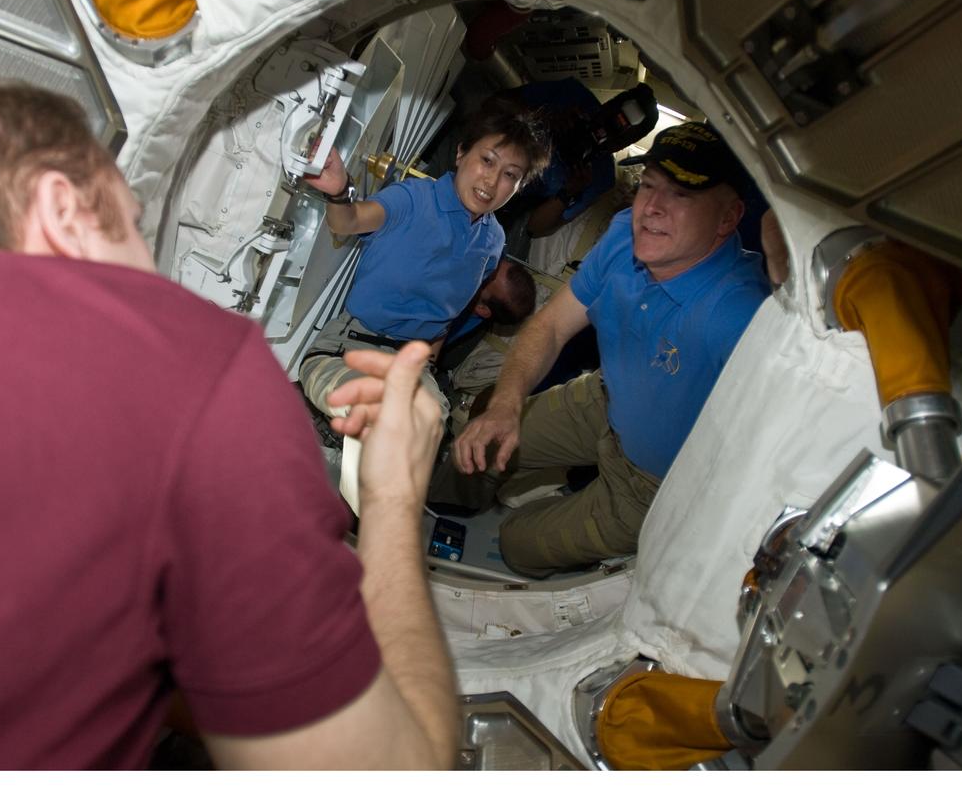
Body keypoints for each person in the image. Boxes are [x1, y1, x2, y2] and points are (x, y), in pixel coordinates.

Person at [0, 82, 457, 770]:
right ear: (62, 208)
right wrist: (393, 499)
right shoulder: (188, 367)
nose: (148, 265)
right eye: (129, 222)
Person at [446, 122, 771, 577]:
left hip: (653, 479)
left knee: (517, 544)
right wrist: (504, 405)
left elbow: (762, 455)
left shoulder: (739, 317)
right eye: (650, 186)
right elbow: (553, 326)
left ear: (727, 218)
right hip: (604, 399)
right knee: (478, 442)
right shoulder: (624, 236)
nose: (652, 208)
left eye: (681, 196)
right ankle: (440, 500)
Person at [298, 102, 549, 420]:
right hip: (347, 350)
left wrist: (429, 362)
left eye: (509, 175)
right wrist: (338, 193)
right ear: (461, 154)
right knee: (386, 419)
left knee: (431, 425)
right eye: (487, 161)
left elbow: (445, 312)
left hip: (409, 366)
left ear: (518, 187)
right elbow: (348, 222)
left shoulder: (493, 241)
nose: (491, 180)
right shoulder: (414, 198)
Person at [500, 79, 657, 240]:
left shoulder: (599, 176)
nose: (603, 135)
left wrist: (567, 192)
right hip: (491, 155)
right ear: (606, 105)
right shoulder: (571, 96)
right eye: (606, 123)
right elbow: (495, 103)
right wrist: (539, 117)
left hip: (507, 203)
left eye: (617, 140)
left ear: (625, 145)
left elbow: (535, 229)